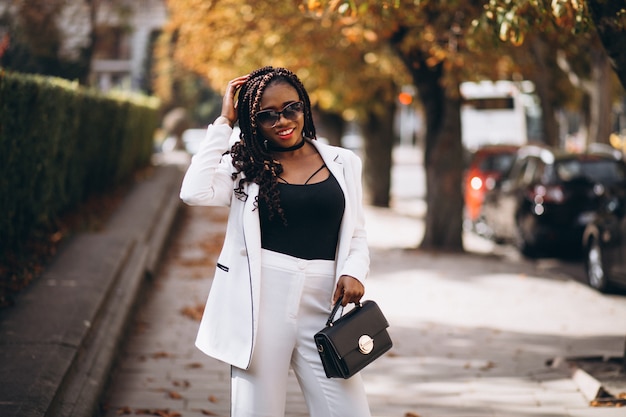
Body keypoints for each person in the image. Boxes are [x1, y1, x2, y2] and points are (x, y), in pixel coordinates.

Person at [180, 66, 371, 417]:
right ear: (252, 122)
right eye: (267, 115)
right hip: (260, 301)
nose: (282, 121)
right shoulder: (245, 168)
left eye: (291, 108)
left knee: (349, 411)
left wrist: (354, 271)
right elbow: (194, 191)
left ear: (305, 106)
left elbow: (356, 233)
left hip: (325, 305)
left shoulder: (345, 163)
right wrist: (224, 120)